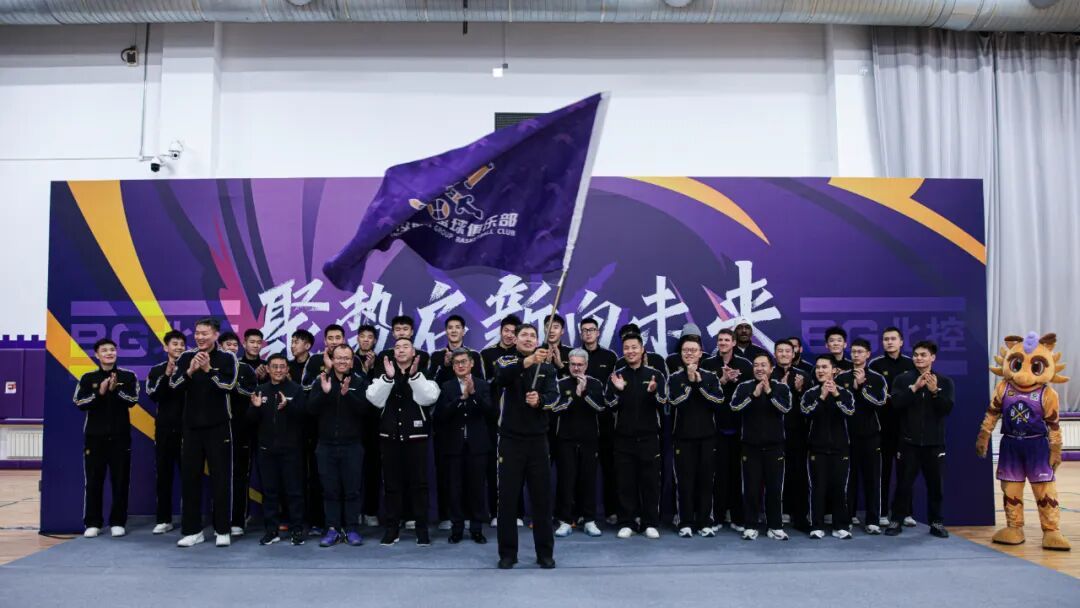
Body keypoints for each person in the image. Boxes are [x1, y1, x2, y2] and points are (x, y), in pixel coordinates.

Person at [492, 324, 559, 569]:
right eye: (524, 335)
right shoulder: (505, 361)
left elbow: (555, 398)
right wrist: (529, 361)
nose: (529, 339)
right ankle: (508, 553)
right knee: (507, 500)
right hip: (510, 441)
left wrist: (539, 400)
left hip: (538, 441)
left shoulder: (548, 368)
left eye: (533, 335)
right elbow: (501, 379)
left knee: (542, 500)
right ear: (515, 338)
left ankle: (545, 553)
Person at [171, 318, 239, 548]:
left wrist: (209, 370)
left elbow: (228, 386)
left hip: (218, 426)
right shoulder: (185, 357)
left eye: (205, 333)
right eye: (197, 333)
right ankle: (192, 530)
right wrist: (190, 371)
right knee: (190, 479)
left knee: (221, 478)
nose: (200, 337)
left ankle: (222, 529)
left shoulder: (227, 358)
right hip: (191, 427)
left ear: (216, 335)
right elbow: (174, 386)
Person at [366, 337, 441, 547]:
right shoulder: (384, 374)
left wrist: (415, 376)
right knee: (391, 486)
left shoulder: (423, 373)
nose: (400, 350)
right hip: (389, 439)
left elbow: (429, 398)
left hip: (416, 439)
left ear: (413, 352)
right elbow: (373, 398)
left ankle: (421, 529)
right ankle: (392, 529)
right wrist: (388, 379)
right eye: (397, 347)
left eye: (405, 346)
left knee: (419, 485)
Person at [885, 340, 954, 538]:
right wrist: (914, 388)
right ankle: (896, 520)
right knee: (903, 485)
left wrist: (934, 392)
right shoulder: (902, 379)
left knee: (935, 486)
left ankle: (936, 522)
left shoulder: (945, 382)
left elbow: (946, 409)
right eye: (916, 355)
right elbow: (895, 404)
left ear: (933, 357)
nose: (919, 358)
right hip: (908, 443)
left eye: (923, 355)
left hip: (934, 444)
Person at [73, 338, 139, 538]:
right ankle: (93, 522)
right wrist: (99, 392)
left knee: (120, 481)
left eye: (112, 350)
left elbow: (132, 400)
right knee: (94, 481)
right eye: (105, 350)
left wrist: (115, 389)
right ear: (97, 354)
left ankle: (118, 522)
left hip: (120, 438)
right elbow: (79, 402)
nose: (109, 353)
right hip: (95, 438)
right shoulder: (88, 377)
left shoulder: (128, 376)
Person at [308, 344, 372, 547]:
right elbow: (310, 410)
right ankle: (332, 529)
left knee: (352, 490)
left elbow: (366, 411)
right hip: (325, 445)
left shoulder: (360, 382)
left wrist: (347, 394)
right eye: (339, 358)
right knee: (330, 491)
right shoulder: (322, 380)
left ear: (352, 362)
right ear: (331, 360)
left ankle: (352, 528)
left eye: (346, 358)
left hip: (352, 445)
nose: (342, 361)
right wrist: (325, 393)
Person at [605, 332, 666, 540]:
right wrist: (619, 390)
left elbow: (664, 403)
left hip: (649, 438)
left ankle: (650, 522)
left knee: (650, 483)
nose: (630, 351)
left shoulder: (655, 374)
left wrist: (653, 392)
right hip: (623, 439)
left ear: (642, 350)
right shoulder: (617, 375)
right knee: (625, 482)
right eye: (627, 348)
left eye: (634, 347)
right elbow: (609, 405)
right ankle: (627, 522)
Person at [433, 348, 495, 544]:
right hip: (453, 447)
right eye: (456, 363)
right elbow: (440, 415)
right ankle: (457, 529)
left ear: (471, 363)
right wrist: (461, 399)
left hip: (478, 446)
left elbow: (491, 412)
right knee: (455, 489)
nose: (460, 365)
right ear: (452, 366)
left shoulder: (483, 385)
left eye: (463, 362)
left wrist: (473, 394)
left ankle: (476, 528)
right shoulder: (447, 386)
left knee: (477, 488)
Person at [428, 315, 483, 531]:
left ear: (463, 331)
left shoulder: (474, 355)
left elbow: (482, 384)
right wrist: (444, 366)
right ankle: (447, 516)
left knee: (473, 478)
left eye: (457, 327)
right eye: (449, 327)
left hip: (473, 425)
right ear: (446, 331)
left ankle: (472, 519)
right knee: (448, 476)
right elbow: (430, 388)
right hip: (447, 424)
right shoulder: (436, 356)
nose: (453, 331)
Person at [666, 334, 724, 538]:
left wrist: (698, 384)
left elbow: (718, 402)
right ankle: (685, 521)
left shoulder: (710, 377)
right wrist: (690, 384)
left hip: (707, 437)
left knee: (706, 481)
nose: (689, 353)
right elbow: (675, 402)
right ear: (681, 354)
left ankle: (705, 521)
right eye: (685, 350)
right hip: (683, 438)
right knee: (684, 481)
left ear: (700, 354)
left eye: (693, 350)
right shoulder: (674, 378)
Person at [730, 354, 792, 541]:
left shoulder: (781, 387)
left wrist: (769, 392)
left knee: (774, 489)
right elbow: (734, 408)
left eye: (763, 365)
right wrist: (754, 395)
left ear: (771, 368)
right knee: (751, 489)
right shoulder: (744, 387)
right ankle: (750, 525)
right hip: (750, 448)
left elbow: (785, 408)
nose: (759, 368)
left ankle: (775, 526)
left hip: (775, 447)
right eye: (756, 365)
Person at [248, 353, 308, 546]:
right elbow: (250, 421)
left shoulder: (296, 389)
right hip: (266, 451)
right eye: (274, 366)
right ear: (268, 369)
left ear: (287, 369)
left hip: (291, 450)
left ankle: (297, 529)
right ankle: (271, 531)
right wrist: (255, 408)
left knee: (294, 492)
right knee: (270, 493)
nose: (279, 370)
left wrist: (288, 406)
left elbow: (304, 416)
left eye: (282, 366)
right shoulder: (260, 390)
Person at [299, 324, 348, 535]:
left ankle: (347, 523)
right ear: (325, 341)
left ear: (344, 339)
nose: (334, 341)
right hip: (320, 430)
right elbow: (304, 387)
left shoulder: (350, 359)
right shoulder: (315, 361)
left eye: (338, 337)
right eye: (331, 338)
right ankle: (319, 522)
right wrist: (327, 371)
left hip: (347, 430)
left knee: (347, 479)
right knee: (320, 478)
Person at [552, 349, 606, 538]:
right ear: (568, 364)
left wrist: (584, 393)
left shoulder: (595, 383)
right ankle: (565, 520)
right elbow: (554, 408)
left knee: (588, 480)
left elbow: (601, 407)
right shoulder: (560, 384)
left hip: (589, 440)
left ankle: (589, 520)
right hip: (565, 440)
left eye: (580, 365)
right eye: (573, 364)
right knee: (566, 480)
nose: (576, 368)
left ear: (586, 365)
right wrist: (574, 395)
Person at [703, 328, 753, 533]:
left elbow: (751, 391)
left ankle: (738, 518)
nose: (723, 343)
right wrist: (722, 381)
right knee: (718, 475)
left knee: (738, 475)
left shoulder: (745, 365)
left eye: (726, 340)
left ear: (733, 343)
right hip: (715, 428)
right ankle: (717, 517)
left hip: (741, 429)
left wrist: (736, 382)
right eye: (720, 340)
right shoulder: (707, 365)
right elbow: (703, 393)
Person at [801, 355, 856, 540]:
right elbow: (807, 413)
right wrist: (822, 396)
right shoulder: (810, 393)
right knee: (817, 488)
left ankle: (840, 525)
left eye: (824, 367)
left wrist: (836, 395)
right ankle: (816, 526)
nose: (820, 371)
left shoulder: (845, 393)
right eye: (818, 367)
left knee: (839, 488)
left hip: (840, 449)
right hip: (817, 449)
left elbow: (849, 412)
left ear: (834, 370)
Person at [837, 338, 888, 534]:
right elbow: (840, 404)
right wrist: (853, 388)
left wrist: (862, 387)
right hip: (847, 436)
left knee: (872, 478)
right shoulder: (842, 378)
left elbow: (880, 402)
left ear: (868, 354)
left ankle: (872, 520)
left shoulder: (876, 378)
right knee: (848, 479)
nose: (856, 355)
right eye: (853, 352)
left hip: (870, 436)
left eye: (860, 352)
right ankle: (847, 517)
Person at [869, 326, 917, 527]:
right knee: (884, 472)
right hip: (883, 427)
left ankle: (905, 512)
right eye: (886, 339)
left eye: (893, 339)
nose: (889, 342)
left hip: (906, 427)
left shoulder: (911, 364)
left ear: (901, 342)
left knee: (905, 472)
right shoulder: (875, 364)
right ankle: (882, 513)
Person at [480, 314, 522, 526]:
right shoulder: (487, 354)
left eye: (514, 332)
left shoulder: (523, 355)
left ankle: (519, 513)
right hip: (494, 417)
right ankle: (496, 512)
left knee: (518, 466)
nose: (509, 335)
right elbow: (484, 385)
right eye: (506, 330)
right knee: (494, 468)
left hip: (518, 417)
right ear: (500, 331)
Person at [145, 330, 187, 535]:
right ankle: (164, 519)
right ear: (166, 347)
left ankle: (189, 519)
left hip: (188, 430)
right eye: (174, 344)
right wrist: (167, 375)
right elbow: (154, 395)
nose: (178, 347)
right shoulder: (156, 370)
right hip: (164, 430)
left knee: (189, 476)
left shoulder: (191, 368)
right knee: (163, 475)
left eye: (181, 344)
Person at [578, 316, 619, 526]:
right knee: (581, 470)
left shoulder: (610, 356)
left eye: (591, 330)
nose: (588, 333)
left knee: (609, 468)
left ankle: (612, 510)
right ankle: (580, 513)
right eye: (584, 330)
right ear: (581, 333)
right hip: (580, 421)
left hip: (605, 421)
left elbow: (615, 387)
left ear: (598, 332)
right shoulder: (575, 356)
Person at [219, 331, 258, 537]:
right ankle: (220, 520)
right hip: (217, 429)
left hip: (241, 429)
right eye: (228, 344)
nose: (232, 348)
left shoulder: (246, 369)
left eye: (235, 345)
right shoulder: (212, 367)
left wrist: (232, 384)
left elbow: (252, 392)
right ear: (220, 346)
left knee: (241, 475)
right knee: (219, 475)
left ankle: (238, 520)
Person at [772, 340, 810, 532]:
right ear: (775, 354)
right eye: (780, 351)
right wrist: (779, 388)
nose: (784, 354)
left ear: (794, 354)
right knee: (775, 476)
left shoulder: (803, 375)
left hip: (797, 433)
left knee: (799, 475)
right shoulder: (768, 374)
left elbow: (810, 405)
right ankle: (776, 516)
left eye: (788, 351)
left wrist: (800, 390)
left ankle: (800, 516)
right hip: (773, 432)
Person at [355, 324, 382, 528]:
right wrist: (363, 370)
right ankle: (354, 511)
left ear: (374, 341)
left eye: (369, 337)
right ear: (357, 338)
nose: (365, 340)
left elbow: (380, 390)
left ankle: (371, 511)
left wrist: (371, 369)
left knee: (373, 468)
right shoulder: (348, 358)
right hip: (353, 422)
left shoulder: (381, 360)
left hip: (375, 422)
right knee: (353, 470)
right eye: (362, 336)